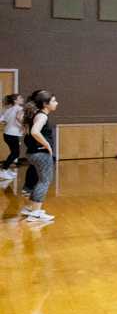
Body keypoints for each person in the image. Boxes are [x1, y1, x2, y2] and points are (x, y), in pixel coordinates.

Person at [20, 90, 58, 223]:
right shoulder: (42, 116)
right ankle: (35, 213)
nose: (56, 103)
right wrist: (47, 144)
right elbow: (35, 132)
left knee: (38, 180)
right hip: (40, 153)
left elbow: (28, 130)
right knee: (45, 181)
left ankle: (30, 208)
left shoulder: (35, 114)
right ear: (45, 104)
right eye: (53, 101)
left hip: (32, 153)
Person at [1, 93, 23, 179]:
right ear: (15, 100)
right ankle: (4, 170)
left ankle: (6, 169)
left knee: (13, 153)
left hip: (7, 134)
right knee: (15, 153)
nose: (22, 98)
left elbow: (2, 120)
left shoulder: (8, 109)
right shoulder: (20, 108)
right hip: (12, 135)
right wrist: (24, 126)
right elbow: (19, 118)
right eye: (20, 97)